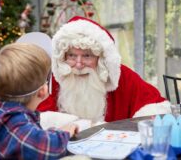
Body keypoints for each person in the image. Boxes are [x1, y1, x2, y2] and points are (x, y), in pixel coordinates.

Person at [37, 16, 170, 123]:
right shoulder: (56, 78)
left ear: (100, 58)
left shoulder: (121, 76)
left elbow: (154, 107)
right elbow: (39, 119)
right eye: (72, 55)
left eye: (87, 56)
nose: (78, 64)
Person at [0, 43, 78, 159]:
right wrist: (66, 133)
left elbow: (31, 137)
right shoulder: (14, 121)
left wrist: (55, 132)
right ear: (42, 90)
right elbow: (49, 151)